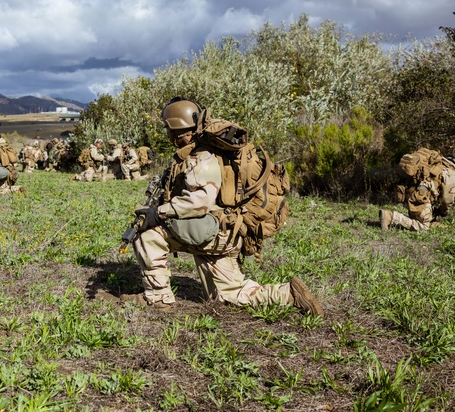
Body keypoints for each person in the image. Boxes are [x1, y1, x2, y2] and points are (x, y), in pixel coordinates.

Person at [130, 99, 323, 314]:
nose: (167, 133)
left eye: (168, 128)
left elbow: (199, 201)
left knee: (146, 234)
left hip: (214, 233)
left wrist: (157, 213)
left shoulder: (201, 156)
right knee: (229, 295)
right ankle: (289, 294)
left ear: (177, 129)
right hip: (228, 232)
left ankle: (159, 299)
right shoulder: (217, 153)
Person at [380, 149, 455, 231]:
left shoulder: (433, 163)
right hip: (420, 197)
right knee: (423, 227)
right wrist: (443, 211)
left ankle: (426, 220)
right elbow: (447, 200)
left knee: (421, 217)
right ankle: (391, 217)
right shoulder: (450, 173)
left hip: (407, 191)